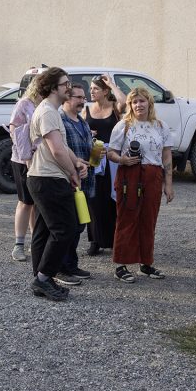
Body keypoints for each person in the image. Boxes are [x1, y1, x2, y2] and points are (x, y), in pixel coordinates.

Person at [26, 68, 88, 301]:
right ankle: (42, 279)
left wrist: (77, 161)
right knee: (66, 229)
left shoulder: (51, 111)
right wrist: (73, 172)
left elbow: (63, 147)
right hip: (48, 179)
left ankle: (43, 278)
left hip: (45, 177)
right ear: (53, 88)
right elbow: (56, 149)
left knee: (44, 230)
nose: (69, 87)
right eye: (65, 84)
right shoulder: (48, 113)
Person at [108, 86, 174, 283]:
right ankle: (121, 265)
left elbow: (166, 154)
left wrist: (168, 184)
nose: (138, 105)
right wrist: (122, 160)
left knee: (149, 219)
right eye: (134, 102)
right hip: (130, 174)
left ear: (149, 103)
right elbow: (111, 152)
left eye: (142, 101)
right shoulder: (123, 126)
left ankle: (146, 263)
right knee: (127, 218)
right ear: (129, 105)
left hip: (153, 174)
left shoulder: (161, 126)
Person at [83, 74, 126, 256]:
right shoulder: (87, 109)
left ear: (105, 91)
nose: (91, 91)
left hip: (112, 156)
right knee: (93, 198)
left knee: (112, 197)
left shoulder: (115, 108)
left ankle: (115, 239)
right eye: (91, 88)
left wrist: (111, 83)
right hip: (94, 154)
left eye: (95, 88)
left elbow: (124, 101)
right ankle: (95, 239)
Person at [60, 84, 95, 279]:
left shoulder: (83, 121)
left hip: (86, 182)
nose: (83, 101)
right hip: (69, 181)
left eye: (84, 97)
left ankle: (71, 264)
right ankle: (64, 266)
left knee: (79, 225)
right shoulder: (61, 121)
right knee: (69, 225)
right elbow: (60, 151)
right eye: (78, 97)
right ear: (66, 98)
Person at [8, 80, 40, 261]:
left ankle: (36, 241)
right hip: (23, 159)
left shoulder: (47, 104)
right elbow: (14, 129)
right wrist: (27, 156)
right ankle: (18, 245)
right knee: (25, 201)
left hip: (41, 161)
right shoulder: (24, 103)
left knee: (36, 202)